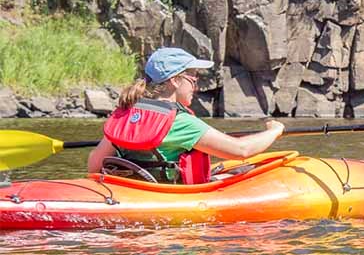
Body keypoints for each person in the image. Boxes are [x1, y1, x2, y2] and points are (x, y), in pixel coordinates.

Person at [87, 47, 284, 184]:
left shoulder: (125, 114)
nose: (196, 85)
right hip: (164, 197)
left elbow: (94, 166)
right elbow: (241, 150)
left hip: (130, 191)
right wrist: (275, 131)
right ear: (174, 80)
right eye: (192, 78)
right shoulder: (181, 122)